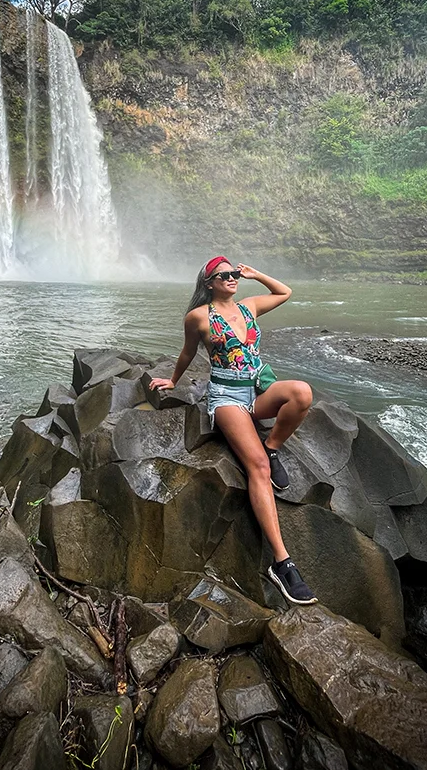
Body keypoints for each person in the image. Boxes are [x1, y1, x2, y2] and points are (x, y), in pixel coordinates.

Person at [149, 256, 318, 605]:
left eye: (234, 273)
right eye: (223, 275)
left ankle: (272, 445)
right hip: (226, 398)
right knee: (256, 466)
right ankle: (282, 563)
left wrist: (255, 274)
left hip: (256, 391)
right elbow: (186, 354)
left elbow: (285, 291)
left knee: (302, 392)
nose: (232, 278)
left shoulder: (249, 306)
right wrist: (173, 380)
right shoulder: (198, 317)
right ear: (209, 282)